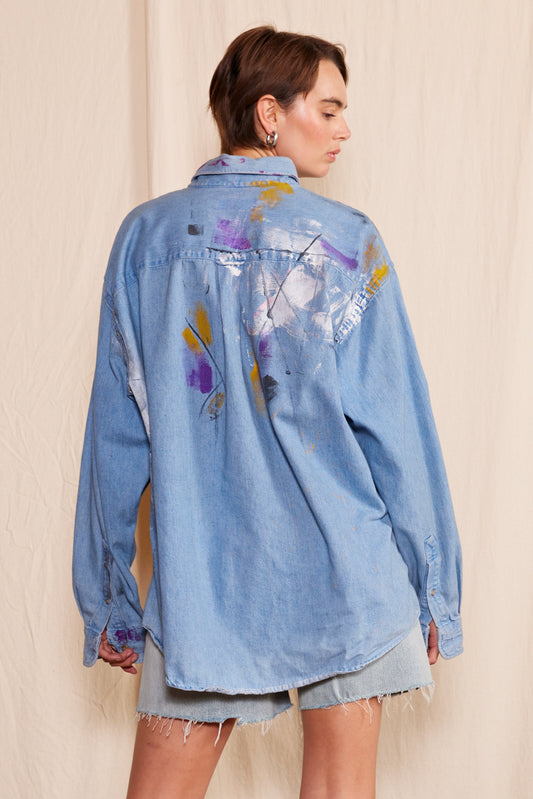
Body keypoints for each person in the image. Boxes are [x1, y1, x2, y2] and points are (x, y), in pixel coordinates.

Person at [73, 25, 463, 799]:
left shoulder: (145, 241)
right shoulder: (345, 243)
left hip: (202, 576)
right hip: (347, 570)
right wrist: (432, 588)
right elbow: (398, 432)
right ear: (269, 114)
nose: (344, 129)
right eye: (329, 108)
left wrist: (112, 597)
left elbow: (116, 434)